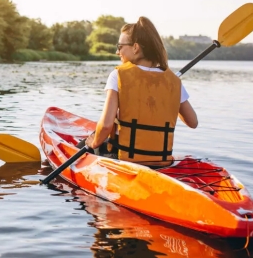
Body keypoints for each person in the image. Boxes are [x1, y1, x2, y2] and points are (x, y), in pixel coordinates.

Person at [85, 17, 198, 166]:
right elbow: (193, 122)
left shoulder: (118, 75)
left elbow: (106, 126)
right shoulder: (173, 81)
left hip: (124, 158)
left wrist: (94, 143)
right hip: (160, 161)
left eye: (120, 46)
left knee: (87, 143)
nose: (117, 51)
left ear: (135, 48)